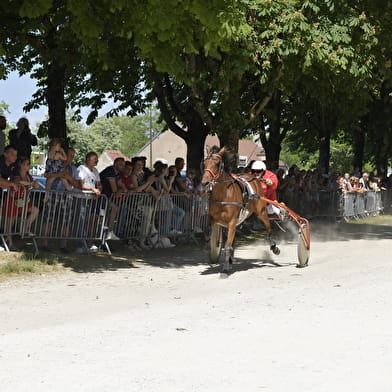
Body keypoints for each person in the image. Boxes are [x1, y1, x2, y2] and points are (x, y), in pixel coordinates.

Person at [41, 147, 82, 253]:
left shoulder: (73, 168)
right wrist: (58, 174)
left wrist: (69, 178)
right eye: (70, 155)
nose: (71, 158)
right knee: (48, 219)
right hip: (53, 194)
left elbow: (77, 184)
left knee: (66, 221)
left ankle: (63, 245)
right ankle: (45, 244)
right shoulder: (55, 164)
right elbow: (46, 175)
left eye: (73, 156)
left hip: (66, 196)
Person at [2, 157, 40, 251]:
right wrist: (30, 183)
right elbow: (17, 182)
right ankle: (9, 243)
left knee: (35, 210)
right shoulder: (15, 174)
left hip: (23, 201)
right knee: (10, 222)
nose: (29, 166)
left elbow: (35, 184)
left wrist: (35, 184)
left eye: (29, 164)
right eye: (27, 164)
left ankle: (25, 228)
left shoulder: (29, 176)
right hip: (13, 200)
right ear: (21, 165)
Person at [99, 157, 127, 241]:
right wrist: (120, 189)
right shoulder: (110, 171)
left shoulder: (117, 173)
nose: (123, 167)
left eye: (123, 165)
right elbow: (115, 189)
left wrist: (121, 189)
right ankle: (109, 232)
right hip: (100, 196)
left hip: (107, 197)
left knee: (112, 211)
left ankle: (106, 234)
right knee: (114, 208)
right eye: (121, 164)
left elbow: (123, 187)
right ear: (115, 164)